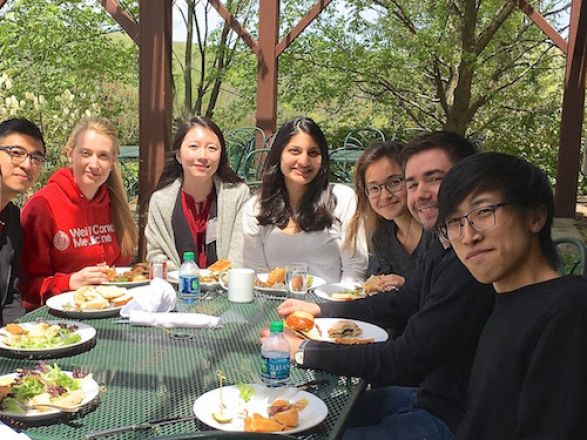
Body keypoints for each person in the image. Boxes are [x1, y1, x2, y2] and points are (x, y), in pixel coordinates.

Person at [261, 131, 495, 438]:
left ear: (468, 181)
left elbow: (407, 358)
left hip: (456, 419)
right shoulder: (444, 241)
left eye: (434, 179)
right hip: (429, 395)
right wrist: (321, 309)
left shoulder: (472, 261)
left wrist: (305, 350)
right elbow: (402, 302)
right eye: (412, 183)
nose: (421, 193)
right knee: (309, 414)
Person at [436, 152, 587, 439]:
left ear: (536, 217)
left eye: (484, 212)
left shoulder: (569, 310)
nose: (468, 236)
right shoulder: (502, 301)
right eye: (454, 222)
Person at [20, 118, 137, 310]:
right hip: (57, 320)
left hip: (111, 313)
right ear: (69, 155)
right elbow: (26, 288)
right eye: (86, 153)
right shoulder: (42, 206)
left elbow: (121, 272)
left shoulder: (115, 206)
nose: (94, 163)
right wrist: (69, 282)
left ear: (112, 162)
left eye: (103, 156)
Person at [242, 116, 367, 284]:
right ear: (279, 154)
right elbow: (257, 274)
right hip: (273, 305)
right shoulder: (256, 208)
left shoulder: (342, 199)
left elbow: (355, 268)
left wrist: (336, 306)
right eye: (295, 151)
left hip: (330, 305)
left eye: (313, 153)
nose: (304, 161)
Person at [146, 116, 249, 270]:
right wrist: (185, 278)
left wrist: (219, 278)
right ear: (179, 155)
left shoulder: (237, 195)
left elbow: (240, 252)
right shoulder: (161, 200)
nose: (202, 156)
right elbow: (156, 255)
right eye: (194, 146)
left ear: (221, 156)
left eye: (212, 148)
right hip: (177, 289)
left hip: (226, 288)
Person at [346, 141, 433, 290]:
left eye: (394, 182)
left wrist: (405, 285)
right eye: (374, 188)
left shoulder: (435, 232)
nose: (385, 195)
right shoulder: (382, 236)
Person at [0, 119, 45, 324]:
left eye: (36, 158)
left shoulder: (11, 219)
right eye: (16, 152)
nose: (27, 164)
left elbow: (11, 298)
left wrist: (21, 338)